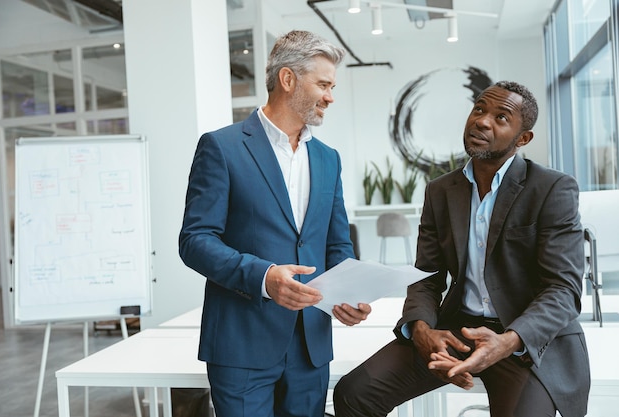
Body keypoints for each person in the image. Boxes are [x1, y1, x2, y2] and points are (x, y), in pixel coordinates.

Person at [333, 81, 590, 417]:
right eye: (479, 109)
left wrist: (507, 341)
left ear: (522, 139)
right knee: (355, 394)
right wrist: (422, 330)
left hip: (524, 342)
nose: (482, 121)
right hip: (458, 330)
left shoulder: (551, 188)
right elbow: (426, 277)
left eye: (501, 117)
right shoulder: (441, 191)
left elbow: (563, 290)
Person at [179, 30, 371, 417]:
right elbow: (195, 240)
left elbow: (337, 243)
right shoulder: (222, 147)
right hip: (241, 344)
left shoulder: (328, 159)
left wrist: (346, 294)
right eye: (323, 84)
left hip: (310, 347)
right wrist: (263, 277)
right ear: (288, 79)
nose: (330, 97)